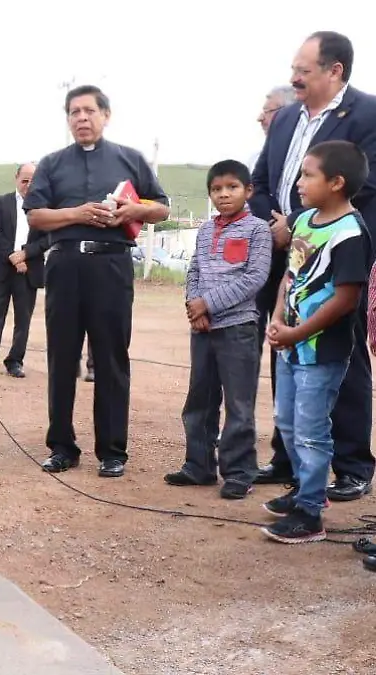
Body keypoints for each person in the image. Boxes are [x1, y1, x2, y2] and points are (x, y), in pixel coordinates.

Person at [249, 31, 376, 502]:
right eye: (294, 69)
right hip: (284, 252)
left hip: (335, 252)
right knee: (285, 345)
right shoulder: (284, 120)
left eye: (303, 70)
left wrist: (302, 226)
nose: (293, 77)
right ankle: (291, 458)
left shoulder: (367, 114)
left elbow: (366, 187)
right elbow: (262, 181)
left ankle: (351, 464)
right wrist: (278, 227)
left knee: (341, 355)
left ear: (334, 70)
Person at [24, 84, 170, 479]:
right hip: (66, 266)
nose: (82, 118)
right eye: (74, 112)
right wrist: (75, 214)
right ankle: (62, 446)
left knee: (110, 357)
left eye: (89, 111)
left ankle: (112, 450)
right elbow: (36, 215)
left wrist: (132, 210)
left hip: (112, 267)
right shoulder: (52, 164)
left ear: (106, 115)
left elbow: (162, 207)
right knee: (62, 356)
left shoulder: (130, 159)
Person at [261, 140, 370, 544]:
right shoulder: (305, 220)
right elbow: (290, 277)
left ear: (337, 183)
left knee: (311, 429)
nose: (300, 182)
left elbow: (346, 299)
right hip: (290, 344)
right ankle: (308, 490)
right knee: (287, 422)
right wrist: (276, 319)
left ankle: (310, 515)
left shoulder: (350, 233)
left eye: (309, 175)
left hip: (320, 351)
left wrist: (297, 332)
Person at [163, 160, 272, 499]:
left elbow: (254, 278)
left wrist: (208, 304)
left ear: (248, 191)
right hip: (203, 329)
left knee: (239, 405)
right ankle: (199, 466)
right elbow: (194, 270)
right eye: (216, 189)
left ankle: (239, 472)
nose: (223, 194)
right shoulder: (207, 229)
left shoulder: (257, 230)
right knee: (199, 400)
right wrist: (195, 307)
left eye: (232, 187)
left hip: (238, 328)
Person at [0, 162, 44, 378]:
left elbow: (47, 239)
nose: (28, 185)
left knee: (23, 318)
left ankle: (15, 361)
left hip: (29, 270)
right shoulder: (1, 202)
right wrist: (14, 257)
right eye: (24, 180)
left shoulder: (44, 207)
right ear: (16, 178)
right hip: (2, 268)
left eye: (33, 181)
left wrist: (26, 254)